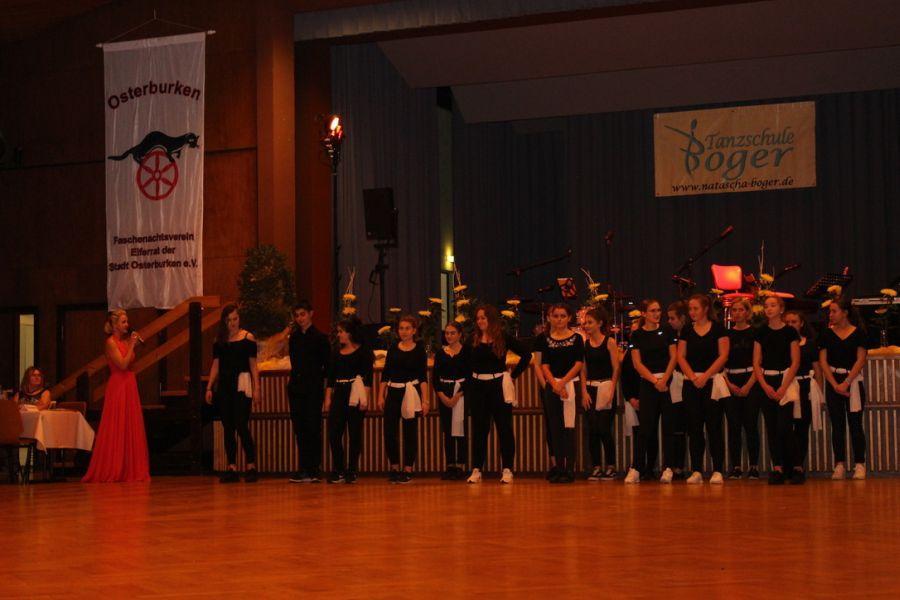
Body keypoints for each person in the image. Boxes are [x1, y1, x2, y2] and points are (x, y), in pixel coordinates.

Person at [463, 304, 532, 484]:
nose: (480, 321)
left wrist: (513, 375)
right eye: (478, 318)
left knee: (504, 428)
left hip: (498, 387)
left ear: (491, 319)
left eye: (483, 318)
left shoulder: (503, 337)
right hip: (478, 388)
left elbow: (527, 354)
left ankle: (507, 469)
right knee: (479, 430)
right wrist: (470, 384)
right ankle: (477, 469)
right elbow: (464, 363)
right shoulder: (472, 339)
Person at [82, 309, 150, 483]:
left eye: (127, 321)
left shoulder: (123, 342)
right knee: (117, 425)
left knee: (129, 426)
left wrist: (131, 344)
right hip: (118, 385)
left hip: (129, 384)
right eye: (123, 322)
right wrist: (132, 345)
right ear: (114, 325)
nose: (127, 325)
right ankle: (113, 468)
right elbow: (122, 364)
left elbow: (129, 362)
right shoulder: (110, 342)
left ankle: (129, 468)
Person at [677, 294, 730, 484]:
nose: (692, 312)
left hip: (712, 382)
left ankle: (718, 470)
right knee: (694, 428)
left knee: (714, 426)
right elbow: (680, 356)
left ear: (706, 309)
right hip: (691, 383)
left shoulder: (718, 329)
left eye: (695, 308)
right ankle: (697, 470)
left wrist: (705, 376)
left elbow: (723, 356)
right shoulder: (686, 330)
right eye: (690, 309)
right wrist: (693, 377)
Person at [205, 304, 260, 483]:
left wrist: (257, 388)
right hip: (225, 387)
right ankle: (232, 467)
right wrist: (209, 387)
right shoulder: (219, 340)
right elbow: (216, 365)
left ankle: (251, 466)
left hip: (242, 386)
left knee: (241, 425)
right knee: (228, 428)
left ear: (239, 318)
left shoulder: (248, 338)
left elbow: (253, 366)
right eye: (229, 320)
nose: (233, 323)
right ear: (224, 321)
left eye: (235, 319)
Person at [819, 296, 868, 480]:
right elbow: (823, 361)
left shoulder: (859, 333)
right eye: (829, 311)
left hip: (852, 381)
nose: (830, 314)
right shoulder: (826, 334)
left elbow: (861, 359)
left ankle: (860, 464)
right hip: (833, 382)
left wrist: (846, 382)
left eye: (834, 311)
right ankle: (839, 464)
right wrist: (834, 384)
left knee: (855, 424)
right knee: (837, 425)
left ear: (845, 313)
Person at [753, 295, 801, 485]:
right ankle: (778, 467)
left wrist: (783, 386)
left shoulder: (790, 332)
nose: (769, 309)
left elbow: (795, 361)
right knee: (772, 427)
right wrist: (765, 385)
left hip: (785, 380)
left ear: (781, 309)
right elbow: (756, 362)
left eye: (773, 305)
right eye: (766, 306)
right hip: (767, 381)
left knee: (785, 426)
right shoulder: (761, 332)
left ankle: (795, 466)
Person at [629, 299, 678, 483]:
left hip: (667, 382)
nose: (657, 314)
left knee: (669, 426)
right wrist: (654, 381)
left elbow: (674, 357)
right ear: (643, 313)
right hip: (648, 383)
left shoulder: (667, 331)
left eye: (658, 310)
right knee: (645, 428)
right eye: (652, 311)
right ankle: (636, 468)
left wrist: (664, 380)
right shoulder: (637, 335)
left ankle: (668, 467)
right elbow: (637, 363)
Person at [535, 304, 584, 483]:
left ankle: (569, 469)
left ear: (569, 318)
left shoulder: (577, 338)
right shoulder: (546, 339)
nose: (559, 319)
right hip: (552, 386)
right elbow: (544, 365)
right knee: (555, 428)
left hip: (570, 384)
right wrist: (555, 384)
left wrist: (562, 383)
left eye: (563, 316)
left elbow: (578, 363)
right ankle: (559, 468)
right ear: (550, 318)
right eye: (556, 316)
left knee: (569, 428)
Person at [379, 315, 429, 484]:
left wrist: (425, 400)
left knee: (410, 432)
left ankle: (408, 469)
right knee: (389, 432)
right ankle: (394, 467)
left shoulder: (419, 350)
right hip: (393, 392)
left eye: (408, 328)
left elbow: (423, 377)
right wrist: (380, 395)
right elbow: (386, 373)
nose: (404, 331)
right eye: (401, 328)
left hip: (411, 392)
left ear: (414, 330)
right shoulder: (393, 348)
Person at [324, 318, 373, 484]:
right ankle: (338, 469)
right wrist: (328, 398)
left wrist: (365, 399)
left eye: (341, 331)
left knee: (354, 434)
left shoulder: (363, 352)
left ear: (350, 333)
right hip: (339, 393)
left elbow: (367, 379)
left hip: (356, 394)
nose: (339, 335)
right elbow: (330, 378)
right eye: (338, 332)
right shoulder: (336, 353)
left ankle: (352, 470)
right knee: (334, 433)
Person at [286, 301, 330, 483]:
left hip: (313, 389)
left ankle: (314, 468)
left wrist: (324, 388)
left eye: (302, 314)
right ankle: (303, 467)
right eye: (297, 315)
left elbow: (327, 366)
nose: (300, 318)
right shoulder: (294, 338)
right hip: (296, 388)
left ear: (311, 314)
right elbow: (294, 363)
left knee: (313, 427)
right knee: (300, 428)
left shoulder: (320, 338)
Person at [723, 298, 762, 479]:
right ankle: (736, 466)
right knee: (733, 426)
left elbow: (758, 361)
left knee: (751, 425)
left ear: (747, 312)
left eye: (741, 310)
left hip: (751, 380)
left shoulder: (755, 333)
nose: (737, 313)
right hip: (730, 380)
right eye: (734, 310)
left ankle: (754, 466)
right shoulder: (726, 334)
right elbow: (721, 360)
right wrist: (729, 383)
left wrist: (748, 385)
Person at [580, 307, 620, 481]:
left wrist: (612, 388)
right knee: (592, 429)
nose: (586, 325)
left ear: (600, 323)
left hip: (606, 387)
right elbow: (583, 370)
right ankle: (596, 466)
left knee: (604, 428)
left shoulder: (609, 342)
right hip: (590, 389)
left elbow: (616, 367)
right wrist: (584, 391)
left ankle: (611, 466)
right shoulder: (585, 344)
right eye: (585, 322)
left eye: (590, 322)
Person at [784, 309, 820, 475]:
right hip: (786, 387)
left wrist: (819, 393)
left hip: (805, 387)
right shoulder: (781, 343)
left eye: (794, 322)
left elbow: (817, 369)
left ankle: (798, 466)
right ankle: (787, 465)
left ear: (802, 324)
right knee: (785, 428)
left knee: (802, 427)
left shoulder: (810, 344)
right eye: (788, 322)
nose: (791, 325)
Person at [433, 321, 468, 480]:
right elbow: (435, 378)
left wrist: (457, 396)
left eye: (453, 333)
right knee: (447, 430)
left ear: (460, 334)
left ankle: (461, 465)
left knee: (460, 429)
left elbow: (469, 375)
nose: (449, 336)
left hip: (461, 392)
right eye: (447, 333)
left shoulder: (467, 351)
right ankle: (450, 465)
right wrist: (443, 397)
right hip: (444, 393)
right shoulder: (441, 353)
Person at [665, 301, 689, 479]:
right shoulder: (669, 336)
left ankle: (680, 465)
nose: (670, 322)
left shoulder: (689, 335)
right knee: (674, 427)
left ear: (682, 318)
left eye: (673, 318)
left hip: (688, 381)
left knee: (683, 427)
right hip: (673, 384)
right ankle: (673, 466)